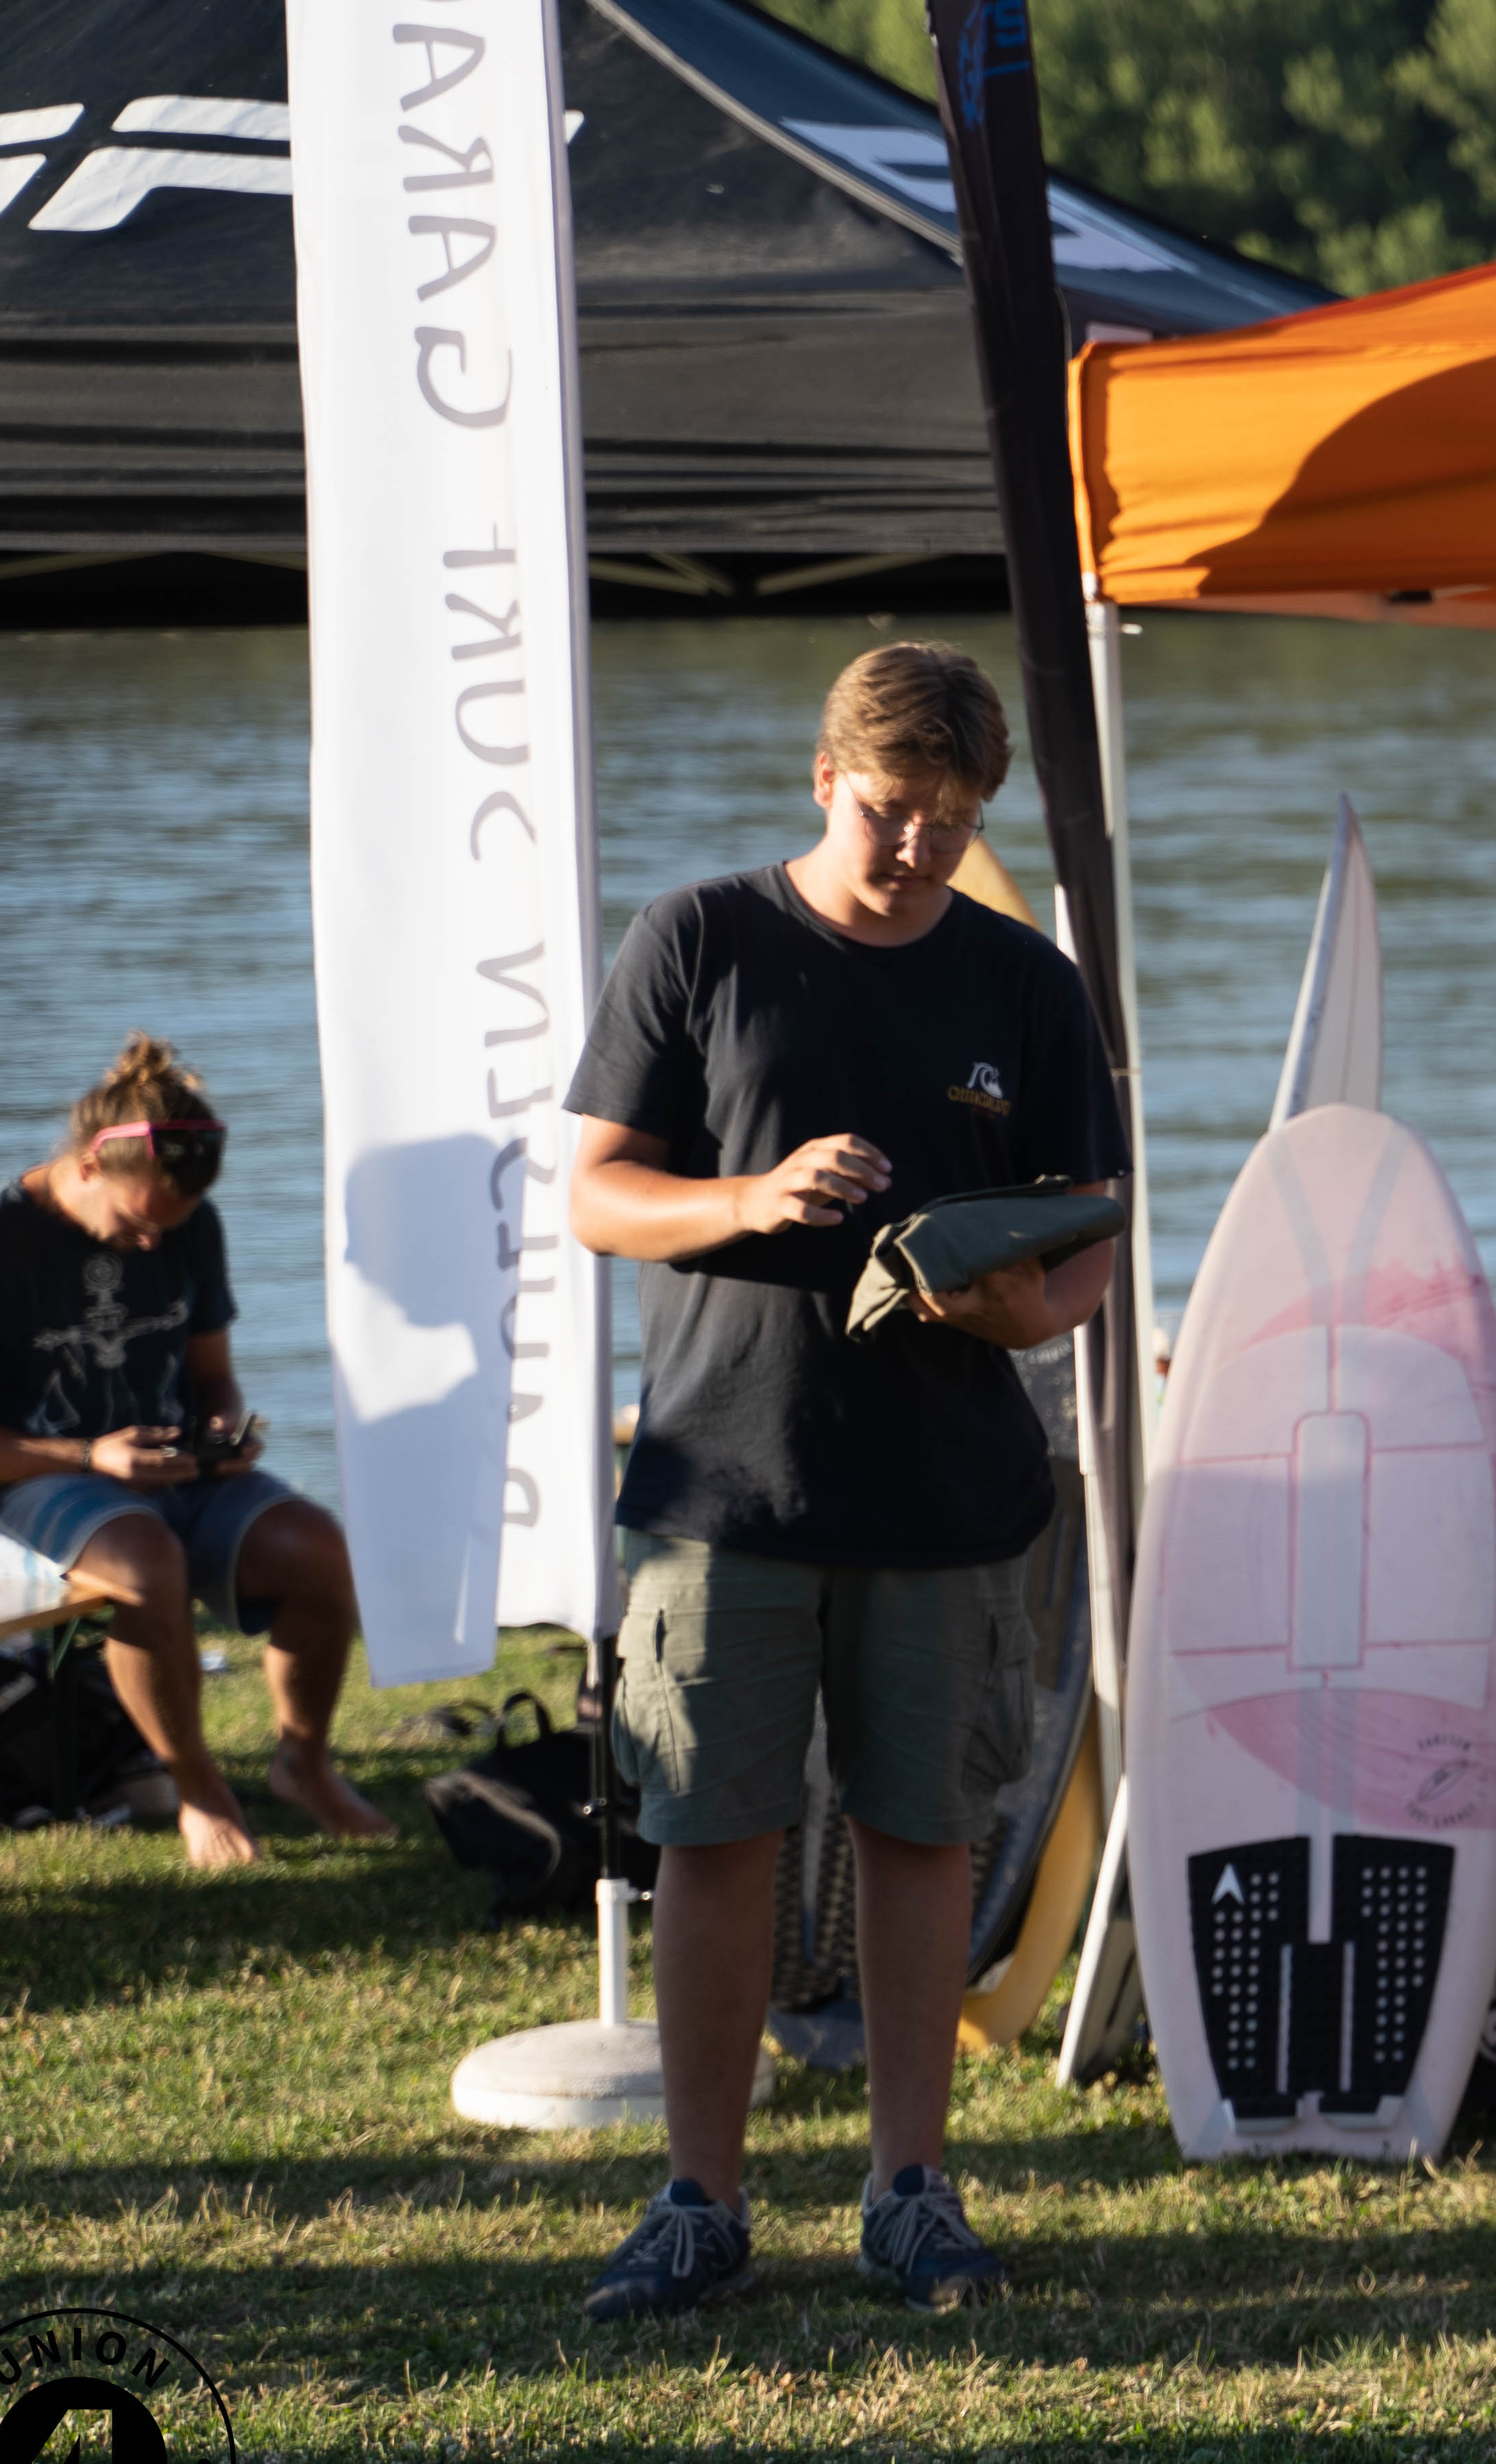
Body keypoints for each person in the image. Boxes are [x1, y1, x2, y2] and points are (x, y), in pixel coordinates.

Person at [561, 642, 1124, 2321]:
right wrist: (752, 1199)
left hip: (947, 1490)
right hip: (722, 1484)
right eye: (891, 810)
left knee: (922, 1831)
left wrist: (1011, 1303)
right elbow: (596, 1194)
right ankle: (699, 2200)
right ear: (823, 780)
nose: (920, 847)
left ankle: (910, 2188)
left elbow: (1089, 1243)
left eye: (954, 820)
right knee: (714, 1833)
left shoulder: (1027, 982)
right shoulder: (699, 939)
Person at [0, 1035, 398, 1869]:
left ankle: (303, 1765)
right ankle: (200, 1788)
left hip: (171, 1472)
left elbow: (213, 1377)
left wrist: (225, 1432)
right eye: (138, 1224)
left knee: (319, 1548)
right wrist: (89, 1457)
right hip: (28, 1487)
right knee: (144, 1560)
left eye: (168, 1228)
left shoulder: (188, 1226)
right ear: (88, 1166)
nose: (149, 1245)